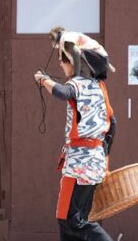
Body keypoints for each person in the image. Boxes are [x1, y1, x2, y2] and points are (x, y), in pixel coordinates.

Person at [34, 50, 115, 241]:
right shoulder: (100, 87)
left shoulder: (77, 83)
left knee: (70, 220)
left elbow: (62, 92)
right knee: (74, 221)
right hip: (94, 161)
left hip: (79, 163)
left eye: (63, 60)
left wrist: (43, 80)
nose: (61, 64)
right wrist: (104, 157)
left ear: (75, 63)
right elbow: (114, 125)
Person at [48, 26, 115, 80]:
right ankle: (86, 78)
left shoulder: (66, 40)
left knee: (79, 55)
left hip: (95, 57)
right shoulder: (71, 35)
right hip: (100, 58)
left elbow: (76, 52)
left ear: (59, 34)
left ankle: (84, 78)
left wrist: (76, 74)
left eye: (52, 38)